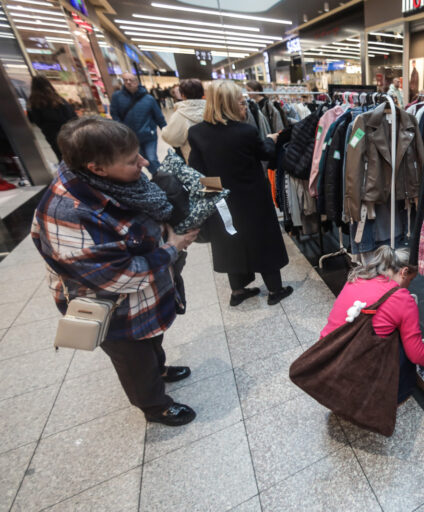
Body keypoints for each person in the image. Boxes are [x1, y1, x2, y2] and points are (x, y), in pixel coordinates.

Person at [31, 116, 199, 426]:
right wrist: (172, 248)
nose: (143, 162)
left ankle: (158, 370)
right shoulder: (69, 212)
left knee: (152, 339)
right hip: (114, 304)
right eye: (131, 160)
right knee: (133, 359)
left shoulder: (114, 182)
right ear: (96, 167)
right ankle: (154, 405)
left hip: (146, 291)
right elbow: (118, 277)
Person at [187, 80, 293, 306]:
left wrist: (216, 196)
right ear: (228, 104)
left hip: (221, 197)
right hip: (253, 197)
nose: (244, 104)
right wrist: (271, 139)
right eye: (239, 101)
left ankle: (238, 291)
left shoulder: (196, 133)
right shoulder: (246, 131)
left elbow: (197, 169)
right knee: (263, 240)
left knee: (230, 240)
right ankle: (275, 290)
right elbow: (265, 153)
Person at [319, 246, 424, 403]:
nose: (409, 286)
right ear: (404, 272)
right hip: (354, 372)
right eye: (410, 280)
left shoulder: (357, 277)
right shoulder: (402, 299)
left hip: (326, 359)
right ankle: (396, 396)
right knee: (403, 346)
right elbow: (416, 353)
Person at [110, 72, 166, 176]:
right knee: (144, 161)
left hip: (149, 135)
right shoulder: (117, 97)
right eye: (125, 80)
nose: (128, 82)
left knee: (152, 159)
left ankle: (163, 179)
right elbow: (114, 115)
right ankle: (159, 178)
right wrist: (121, 131)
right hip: (131, 138)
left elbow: (158, 116)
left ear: (137, 81)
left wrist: (166, 129)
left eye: (131, 80)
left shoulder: (148, 98)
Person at [26, 75, 77, 162]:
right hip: (68, 132)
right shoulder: (57, 99)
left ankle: (66, 173)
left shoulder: (33, 103)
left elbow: (34, 120)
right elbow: (72, 116)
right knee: (75, 154)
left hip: (51, 134)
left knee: (61, 156)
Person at [161, 78, 205, 161]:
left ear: (183, 95)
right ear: (202, 93)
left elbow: (171, 138)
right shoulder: (212, 110)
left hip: (192, 158)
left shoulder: (180, 114)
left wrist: (164, 130)